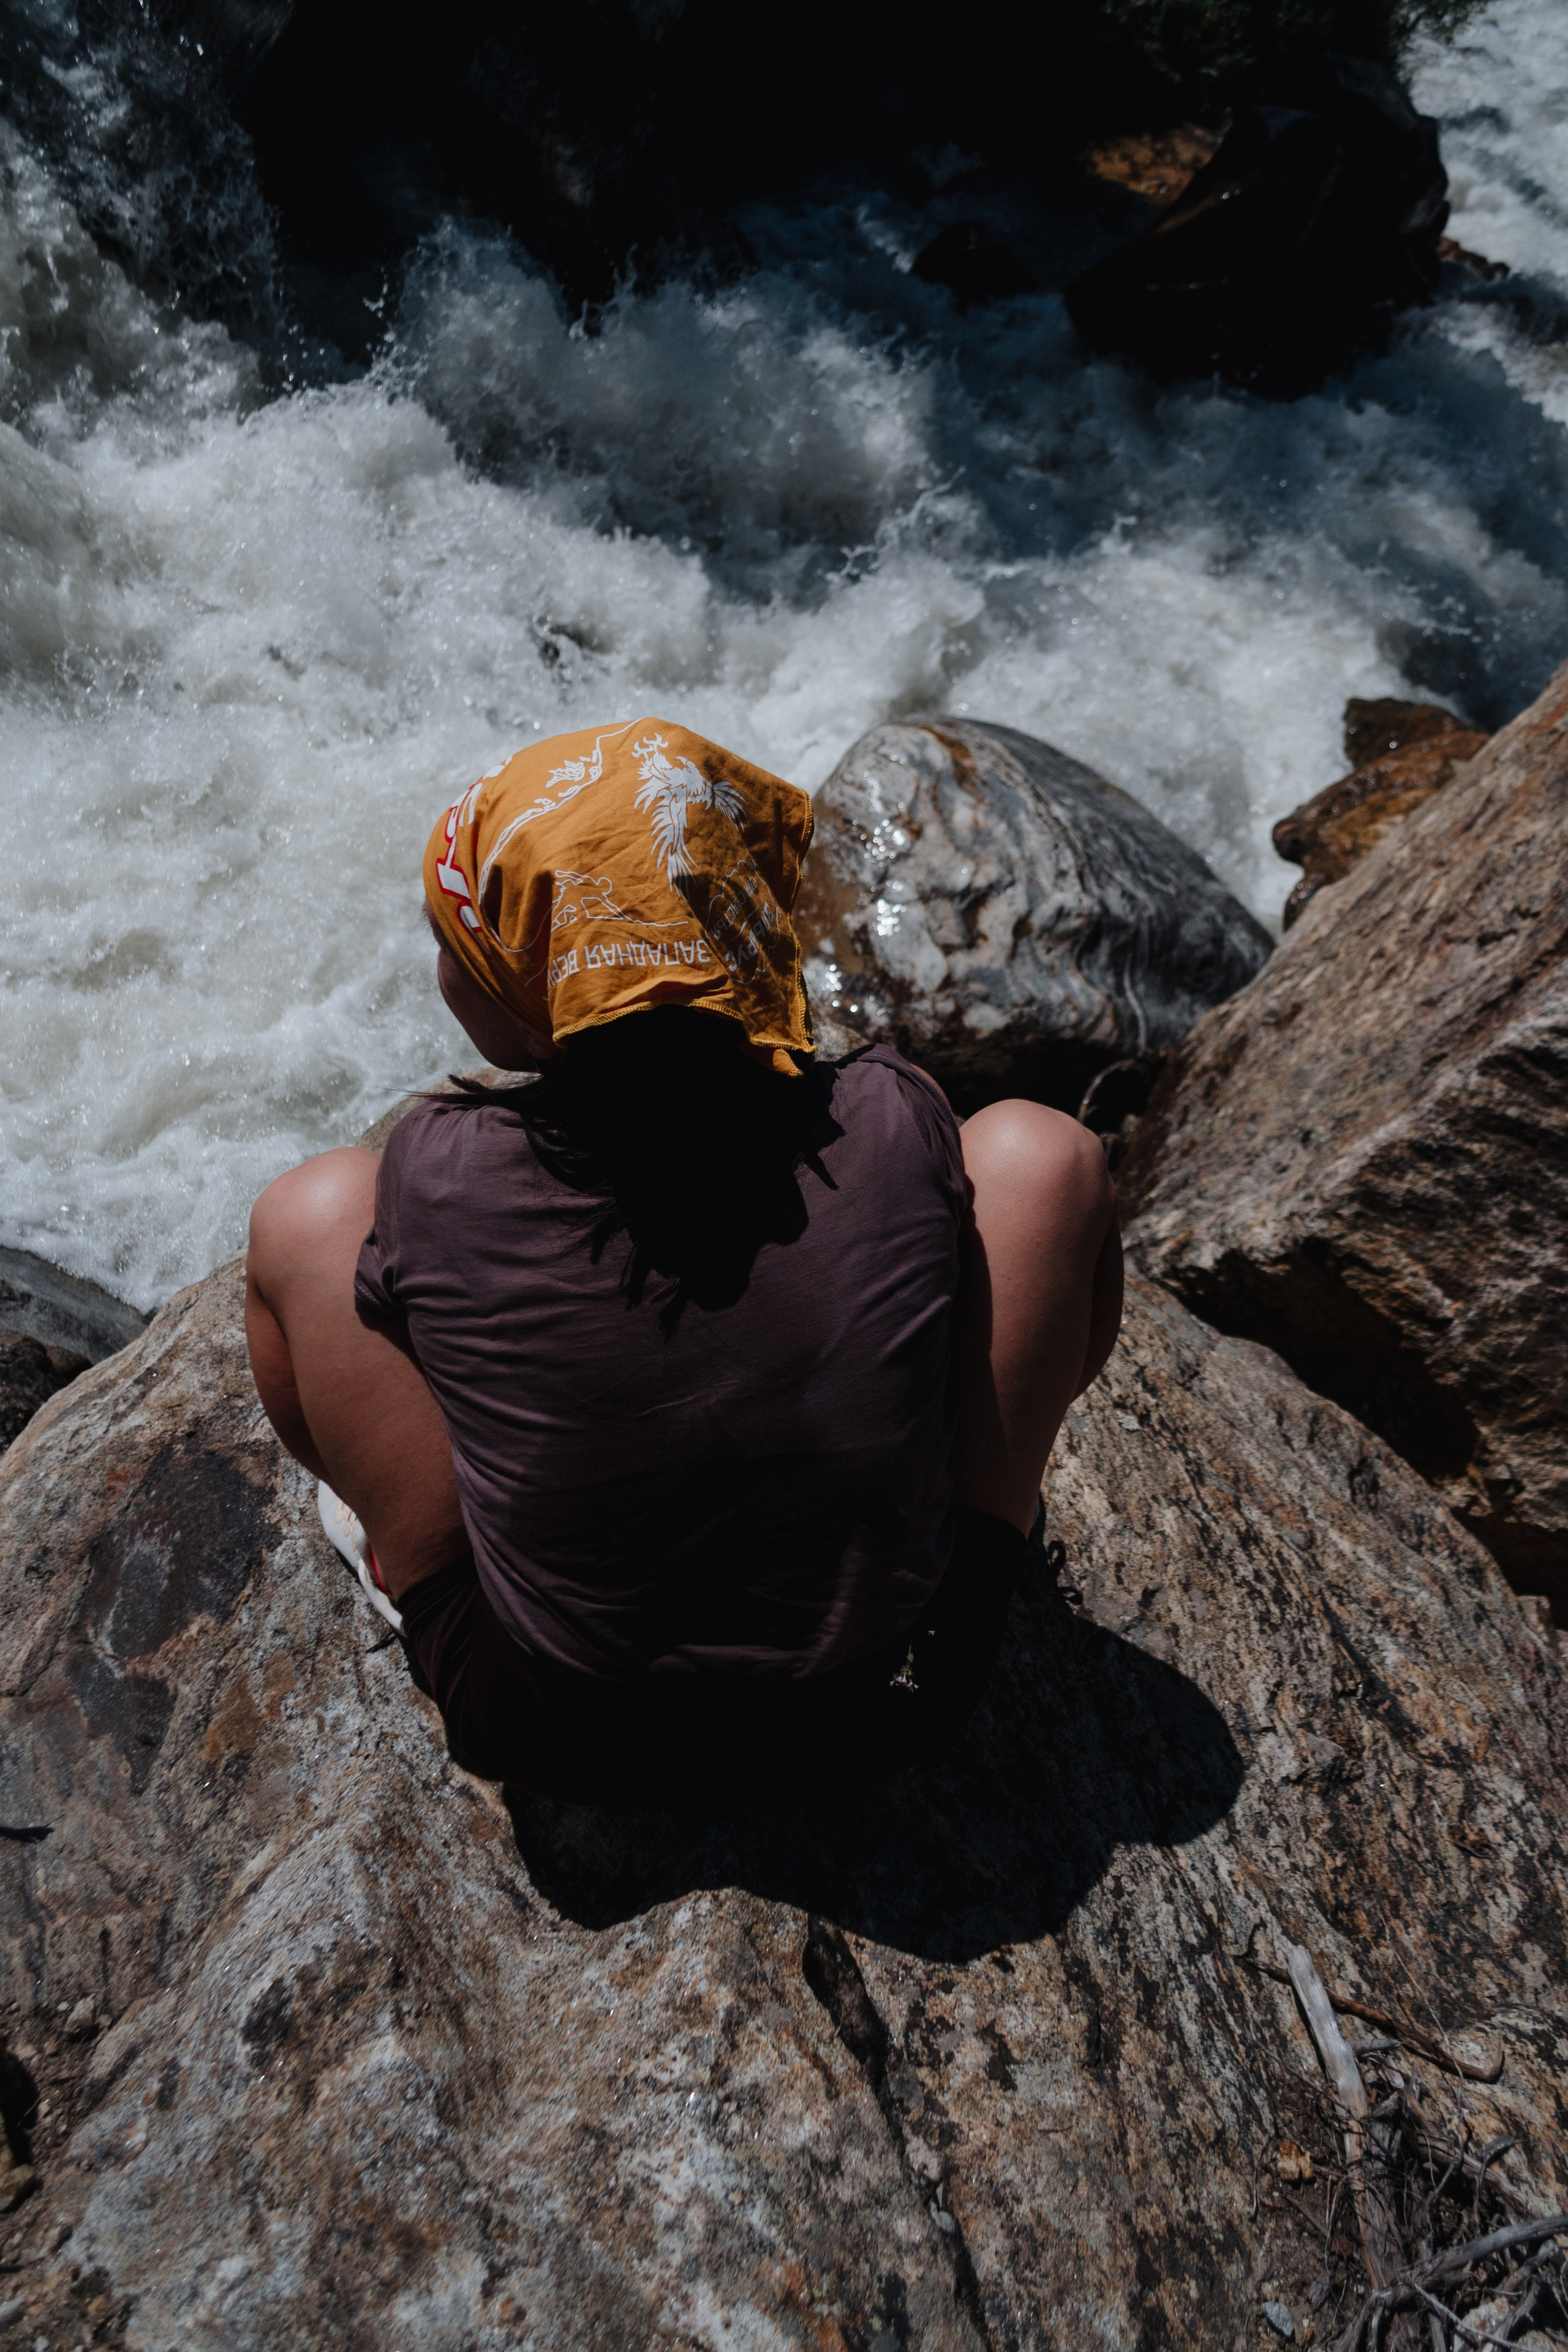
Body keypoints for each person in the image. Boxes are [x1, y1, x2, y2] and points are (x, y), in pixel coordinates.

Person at [245, 717, 1121, 1806]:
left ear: (526, 975)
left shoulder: (438, 1168)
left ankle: (412, 1562)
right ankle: (982, 1535)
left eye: (453, 936)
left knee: (308, 1213)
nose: (440, 963)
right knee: (1044, 1154)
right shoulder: (893, 1113)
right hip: (893, 1690)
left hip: (552, 1725)